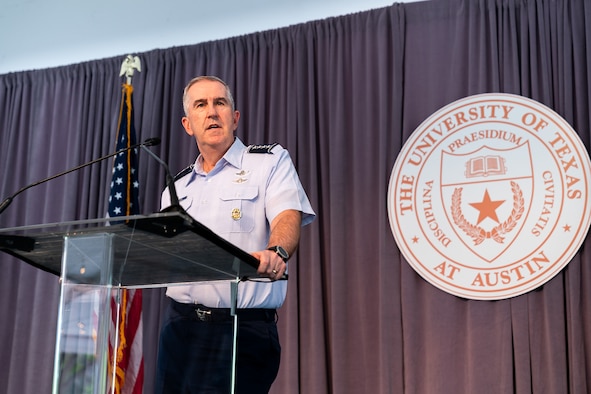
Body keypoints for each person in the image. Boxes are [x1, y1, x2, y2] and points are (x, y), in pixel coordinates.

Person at [155, 75, 316, 393]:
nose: (212, 112)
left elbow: (287, 214)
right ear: (188, 124)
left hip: (241, 329)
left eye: (220, 102)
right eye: (201, 105)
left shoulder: (268, 163)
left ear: (235, 117)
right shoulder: (175, 188)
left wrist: (277, 253)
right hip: (179, 326)